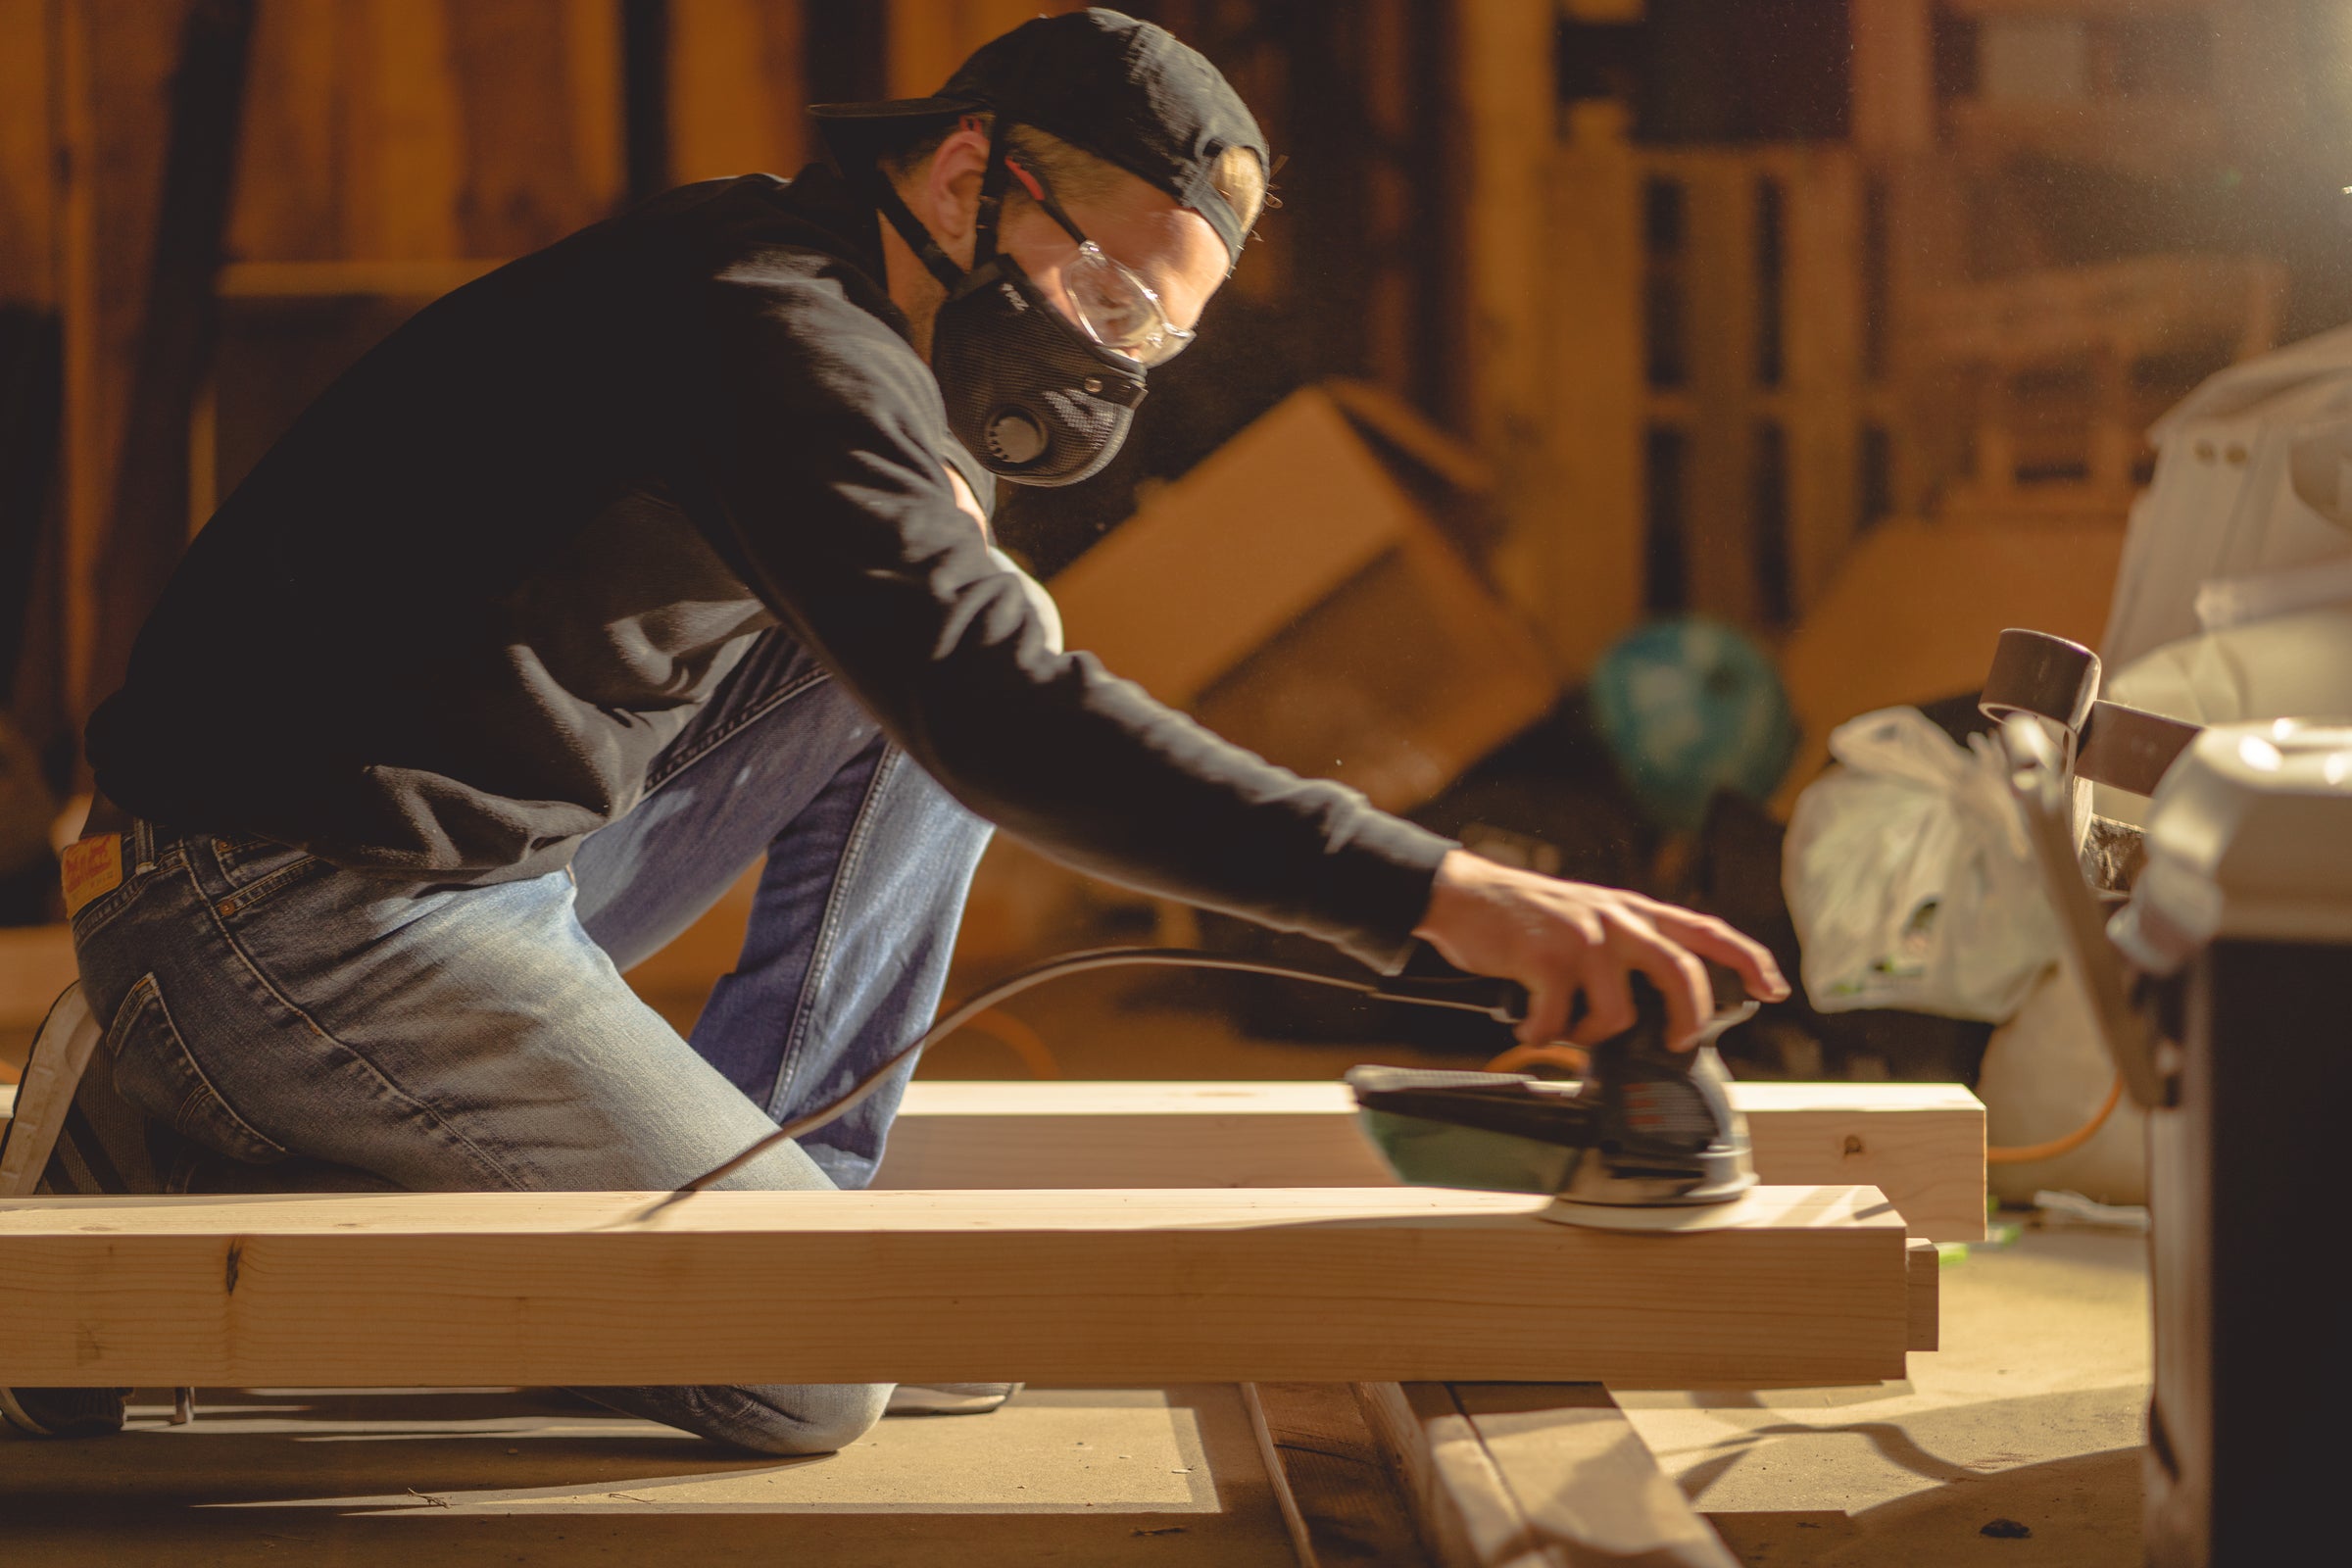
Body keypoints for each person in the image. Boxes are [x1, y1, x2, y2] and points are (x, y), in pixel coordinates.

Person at [5, 9, 1786, 1449]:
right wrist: (1442, 893)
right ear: (963, 174)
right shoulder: (776, 334)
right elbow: (1007, 716)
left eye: (1145, 336)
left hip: (475, 863)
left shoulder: (831, 317)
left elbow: (971, 665)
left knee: (970, 640)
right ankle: (191, 1128)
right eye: (1099, 295)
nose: (1102, 358)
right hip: (283, 904)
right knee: (805, 1382)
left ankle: (796, 1202)